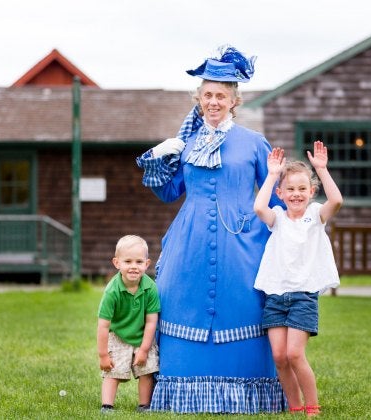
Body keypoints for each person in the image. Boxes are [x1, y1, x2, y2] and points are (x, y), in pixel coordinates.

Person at [135, 45, 286, 413]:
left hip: (244, 242)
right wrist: (159, 157)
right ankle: (179, 388)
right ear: (198, 99)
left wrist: (295, 235)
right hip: (190, 240)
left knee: (246, 305)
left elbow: (276, 198)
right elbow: (170, 192)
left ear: (235, 100)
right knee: (180, 302)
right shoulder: (187, 142)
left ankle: (250, 392)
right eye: (208, 95)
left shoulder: (253, 143)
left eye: (221, 95)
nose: (214, 101)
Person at [253, 141, 343, 416]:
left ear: (311, 192)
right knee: (279, 357)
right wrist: (271, 175)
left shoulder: (316, 215)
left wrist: (322, 169)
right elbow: (259, 207)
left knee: (294, 354)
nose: (296, 194)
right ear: (280, 193)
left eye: (302, 189)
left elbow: (336, 201)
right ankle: (295, 407)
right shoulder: (277, 217)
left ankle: (312, 407)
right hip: (276, 296)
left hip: (303, 296)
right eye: (290, 189)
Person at [97, 235, 160, 414]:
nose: (134, 266)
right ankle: (107, 405)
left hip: (142, 336)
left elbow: (151, 321)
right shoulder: (112, 291)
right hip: (118, 335)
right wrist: (103, 355)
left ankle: (144, 405)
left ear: (147, 264)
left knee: (147, 370)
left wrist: (144, 349)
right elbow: (103, 325)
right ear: (117, 263)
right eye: (128, 261)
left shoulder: (150, 288)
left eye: (139, 261)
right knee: (112, 371)